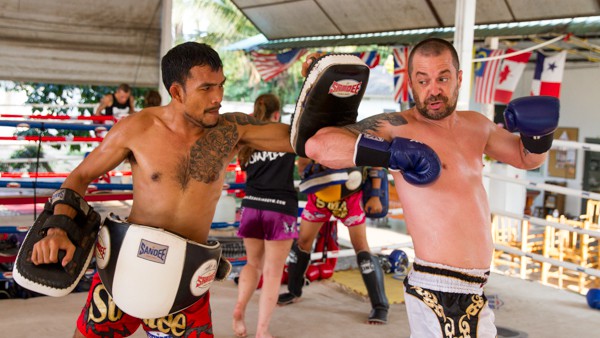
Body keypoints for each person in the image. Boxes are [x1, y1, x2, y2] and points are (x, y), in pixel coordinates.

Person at [27, 42, 294, 338]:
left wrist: (326, 109)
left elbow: (296, 138)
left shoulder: (231, 130)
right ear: (177, 92)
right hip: (125, 264)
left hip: (187, 275)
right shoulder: (136, 128)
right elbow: (80, 176)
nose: (218, 97)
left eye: (221, 85)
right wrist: (57, 230)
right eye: (206, 88)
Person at [300, 38, 559, 337]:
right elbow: (319, 146)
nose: (433, 90)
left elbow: (527, 159)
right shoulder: (396, 126)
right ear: (411, 82)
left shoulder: (477, 125)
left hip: (470, 287)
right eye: (423, 80)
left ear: (459, 78)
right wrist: (392, 153)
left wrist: (540, 134)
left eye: (443, 78)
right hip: (442, 288)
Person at [278, 158, 390, 325]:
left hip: (350, 199)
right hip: (320, 198)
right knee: (303, 243)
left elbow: (375, 160)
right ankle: (294, 292)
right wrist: (314, 168)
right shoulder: (313, 133)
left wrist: (375, 194)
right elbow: (302, 164)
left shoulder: (353, 133)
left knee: (362, 248)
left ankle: (380, 305)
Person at [232, 93, 299, 338]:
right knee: (272, 271)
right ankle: (262, 331)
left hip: (251, 206)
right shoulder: (286, 133)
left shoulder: (249, 137)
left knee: (252, 263)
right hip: (280, 209)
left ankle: (240, 308)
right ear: (276, 113)